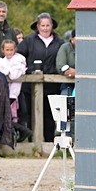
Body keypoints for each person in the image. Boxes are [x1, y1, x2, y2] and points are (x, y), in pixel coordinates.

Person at [18, 13, 63, 142]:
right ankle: (33, 144)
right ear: (37, 26)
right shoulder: (29, 40)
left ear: (52, 26)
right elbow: (19, 58)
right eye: (42, 25)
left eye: (47, 25)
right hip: (31, 85)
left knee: (49, 116)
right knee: (32, 115)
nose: (45, 28)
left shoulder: (59, 42)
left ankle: (49, 144)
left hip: (52, 85)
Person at [0, 38, 29, 140]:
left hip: (14, 94)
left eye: (11, 50)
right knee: (4, 113)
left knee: (14, 113)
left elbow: (14, 75)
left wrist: (6, 70)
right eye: (7, 50)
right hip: (3, 93)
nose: (9, 52)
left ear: (15, 50)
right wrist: (7, 70)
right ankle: (6, 134)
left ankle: (18, 133)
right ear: (3, 50)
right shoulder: (2, 61)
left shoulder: (19, 60)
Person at [56, 29, 77, 96]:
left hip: (86, 83)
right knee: (64, 98)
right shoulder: (65, 47)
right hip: (68, 82)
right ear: (72, 38)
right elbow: (60, 66)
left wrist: (77, 73)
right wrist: (69, 72)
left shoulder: (89, 48)